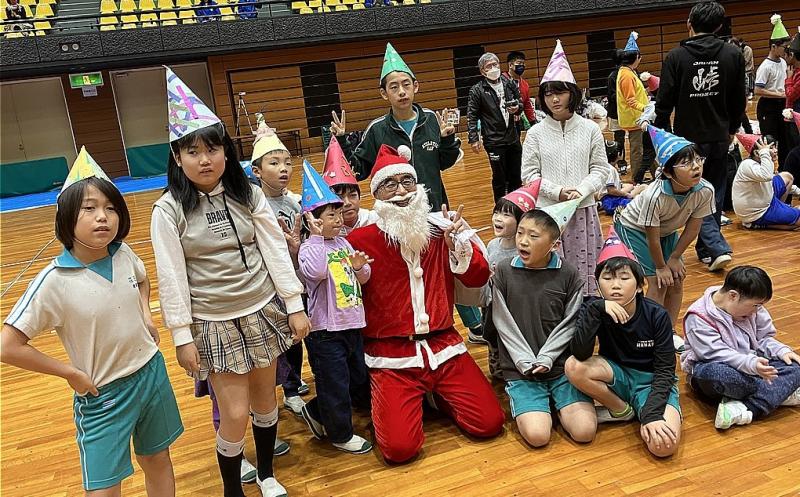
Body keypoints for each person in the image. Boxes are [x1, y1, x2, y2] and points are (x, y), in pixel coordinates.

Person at [151, 68, 310, 497]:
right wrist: (181, 336)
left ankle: (267, 474)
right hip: (213, 321)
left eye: (213, 149)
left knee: (266, 402)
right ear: (177, 158)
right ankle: (231, 490)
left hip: (261, 311)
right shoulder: (168, 210)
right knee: (235, 414)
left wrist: (294, 306)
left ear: (226, 151)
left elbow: (274, 251)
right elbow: (171, 277)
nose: (204, 160)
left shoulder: (248, 194)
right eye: (193, 152)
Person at [1, 147, 184, 495]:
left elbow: (142, 279)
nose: (103, 217)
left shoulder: (124, 253)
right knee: (104, 488)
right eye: (90, 208)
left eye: (111, 208)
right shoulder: (53, 281)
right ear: (67, 217)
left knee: (158, 459)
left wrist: (145, 314)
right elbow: (7, 346)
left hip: (151, 373)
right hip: (103, 394)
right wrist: (70, 373)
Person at [347, 144, 504, 463]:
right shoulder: (360, 242)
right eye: (390, 184)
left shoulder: (441, 231)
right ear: (376, 195)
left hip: (444, 347)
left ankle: (434, 398)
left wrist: (458, 245)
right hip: (392, 355)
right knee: (399, 450)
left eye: (407, 181)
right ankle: (412, 400)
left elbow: (478, 278)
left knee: (489, 423)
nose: (401, 191)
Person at [484, 205, 597, 448]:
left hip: (560, 367)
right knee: (538, 437)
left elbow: (570, 323)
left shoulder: (569, 274)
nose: (523, 241)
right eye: (520, 233)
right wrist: (524, 360)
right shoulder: (504, 271)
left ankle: (558, 404)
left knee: (585, 432)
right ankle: (539, 406)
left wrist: (547, 357)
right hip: (521, 369)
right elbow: (502, 322)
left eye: (533, 236)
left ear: (554, 245)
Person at [566, 228, 682, 458]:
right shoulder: (594, 309)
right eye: (607, 278)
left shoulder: (656, 315)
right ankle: (621, 410)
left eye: (624, 278)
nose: (615, 285)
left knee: (664, 446)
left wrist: (651, 414)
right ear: (598, 284)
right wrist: (597, 309)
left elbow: (666, 370)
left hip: (651, 382)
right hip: (617, 375)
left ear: (639, 286)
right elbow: (580, 353)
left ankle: (644, 411)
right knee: (573, 366)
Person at [654, 0, 744, 272]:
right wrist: (732, 129)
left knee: (698, 192)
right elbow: (739, 98)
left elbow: (664, 100)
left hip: (686, 141)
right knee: (712, 191)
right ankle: (710, 248)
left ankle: (712, 248)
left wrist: (661, 134)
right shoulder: (733, 54)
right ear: (719, 26)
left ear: (689, 24)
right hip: (719, 136)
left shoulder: (676, 57)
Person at [521, 40, 610, 297]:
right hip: (548, 214)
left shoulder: (590, 129)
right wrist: (558, 192)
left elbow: (600, 169)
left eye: (559, 92)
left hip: (583, 211)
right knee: (550, 276)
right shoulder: (535, 133)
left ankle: (584, 313)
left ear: (572, 93)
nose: (554, 99)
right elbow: (529, 175)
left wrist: (581, 191)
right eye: (548, 94)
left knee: (585, 273)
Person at [615, 125, 715, 352]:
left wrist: (675, 257)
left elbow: (693, 228)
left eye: (697, 159)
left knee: (677, 279)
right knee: (658, 281)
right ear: (668, 173)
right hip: (634, 228)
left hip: (666, 231)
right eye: (686, 163)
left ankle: (667, 331)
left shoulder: (705, 190)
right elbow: (651, 236)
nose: (696, 166)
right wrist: (661, 266)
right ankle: (648, 335)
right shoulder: (654, 195)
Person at [297, 161, 373, 455]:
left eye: (339, 214)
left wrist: (360, 267)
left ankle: (317, 411)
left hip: (352, 323)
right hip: (326, 332)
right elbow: (315, 273)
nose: (339, 219)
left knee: (354, 377)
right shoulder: (310, 247)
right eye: (331, 215)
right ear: (312, 220)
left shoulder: (344, 243)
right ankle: (341, 434)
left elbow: (362, 279)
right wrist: (316, 236)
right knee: (334, 382)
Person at [330, 42, 462, 210]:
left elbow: (445, 163)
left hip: (434, 208)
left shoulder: (432, 120)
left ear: (415, 86)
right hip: (394, 214)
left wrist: (447, 140)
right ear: (384, 93)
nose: (401, 91)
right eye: (394, 87)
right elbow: (358, 170)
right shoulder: (376, 130)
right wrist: (342, 141)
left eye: (406, 84)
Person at [681, 266, 800, 430]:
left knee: (795, 366)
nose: (756, 311)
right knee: (716, 374)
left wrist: (781, 350)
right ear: (733, 296)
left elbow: (763, 338)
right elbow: (716, 354)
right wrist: (752, 365)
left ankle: (746, 407)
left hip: (752, 366)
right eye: (755, 306)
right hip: (715, 367)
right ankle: (780, 391)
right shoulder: (698, 317)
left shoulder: (753, 308)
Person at [249, 119, 309, 418]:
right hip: (270, 286)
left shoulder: (298, 203)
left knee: (299, 335)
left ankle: (294, 384)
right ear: (257, 171)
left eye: (287, 162)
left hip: (300, 279)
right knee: (284, 340)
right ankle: (288, 389)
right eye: (274, 163)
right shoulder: (252, 207)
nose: (284, 169)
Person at [483, 181, 542, 379]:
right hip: (493, 305)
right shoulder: (492, 245)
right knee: (493, 338)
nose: (498, 218)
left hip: (517, 308)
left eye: (506, 215)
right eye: (496, 212)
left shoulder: (524, 252)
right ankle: (498, 364)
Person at [467, 52, 524, 202]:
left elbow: (520, 103)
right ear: (482, 71)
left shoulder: (509, 83)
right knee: (500, 177)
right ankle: (501, 206)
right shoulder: (477, 90)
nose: (493, 68)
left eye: (495, 64)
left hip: (513, 138)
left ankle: (516, 205)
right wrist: (474, 138)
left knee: (516, 175)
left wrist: (517, 108)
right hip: (494, 141)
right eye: (489, 66)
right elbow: (472, 115)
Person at [732, 134, 799, 229]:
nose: (775, 150)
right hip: (757, 212)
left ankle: (781, 209)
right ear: (756, 153)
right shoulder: (747, 164)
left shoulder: (764, 162)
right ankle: (759, 224)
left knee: (787, 177)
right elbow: (767, 176)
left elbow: (770, 182)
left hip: (766, 200)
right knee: (798, 220)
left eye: (775, 147)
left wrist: (798, 191)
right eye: (770, 148)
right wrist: (764, 152)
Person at [616, 32, 656, 184]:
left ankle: (654, 174)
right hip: (636, 119)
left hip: (639, 117)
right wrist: (646, 108)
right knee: (638, 150)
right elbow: (630, 100)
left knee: (647, 148)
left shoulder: (629, 72)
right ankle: (637, 179)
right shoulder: (626, 75)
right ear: (636, 57)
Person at [755, 14, 793, 169]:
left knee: (785, 140)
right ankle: (767, 171)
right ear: (773, 47)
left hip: (781, 105)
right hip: (768, 107)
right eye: (784, 47)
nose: (786, 50)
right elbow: (757, 90)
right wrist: (780, 94)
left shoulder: (783, 62)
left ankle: (784, 170)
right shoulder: (765, 66)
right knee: (770, 141)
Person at [321, 137, 377, 236]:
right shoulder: (323, 231)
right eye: (339, 197)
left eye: (352, 195)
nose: (347, 203)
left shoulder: (374, 221)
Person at [597, 140, 646, 216]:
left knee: (642, 187)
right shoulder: (611, 169)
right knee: (640, 202)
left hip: (610, 200)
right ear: (618, 154)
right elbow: (611, 190)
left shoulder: (606, 167)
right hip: (612, 202)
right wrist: (626, 194)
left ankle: (600, 204)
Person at [503, 50, 537, 130]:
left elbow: (527, 105)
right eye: (519, 63)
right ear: (510, 65)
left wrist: (533, 123)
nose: (522, 66)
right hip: (502, 123)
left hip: (517, 123)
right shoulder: (501, 81)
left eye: (523, 63)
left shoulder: (525, 84)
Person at [607, 57, 628, 175]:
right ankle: (621, 163)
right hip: (617, 113)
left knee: (637, 139)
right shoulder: (613, 77)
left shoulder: (630, 73)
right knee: (619, 138)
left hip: (630, 112)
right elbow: (611, 96)